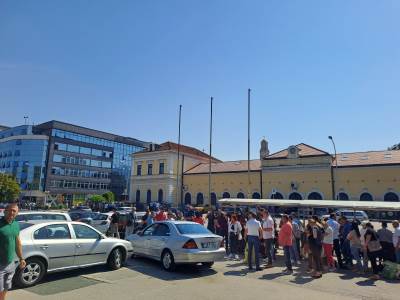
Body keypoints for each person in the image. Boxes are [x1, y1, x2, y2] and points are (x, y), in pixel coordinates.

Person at [0, 203, 26, 300]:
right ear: (5, 211)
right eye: (9, 210)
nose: (11, 212)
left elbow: (17, 242)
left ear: (17, 213)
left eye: (14, 211)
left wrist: (21, 258)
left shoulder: (15, 224)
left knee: (6, 287)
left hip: (10, 263)